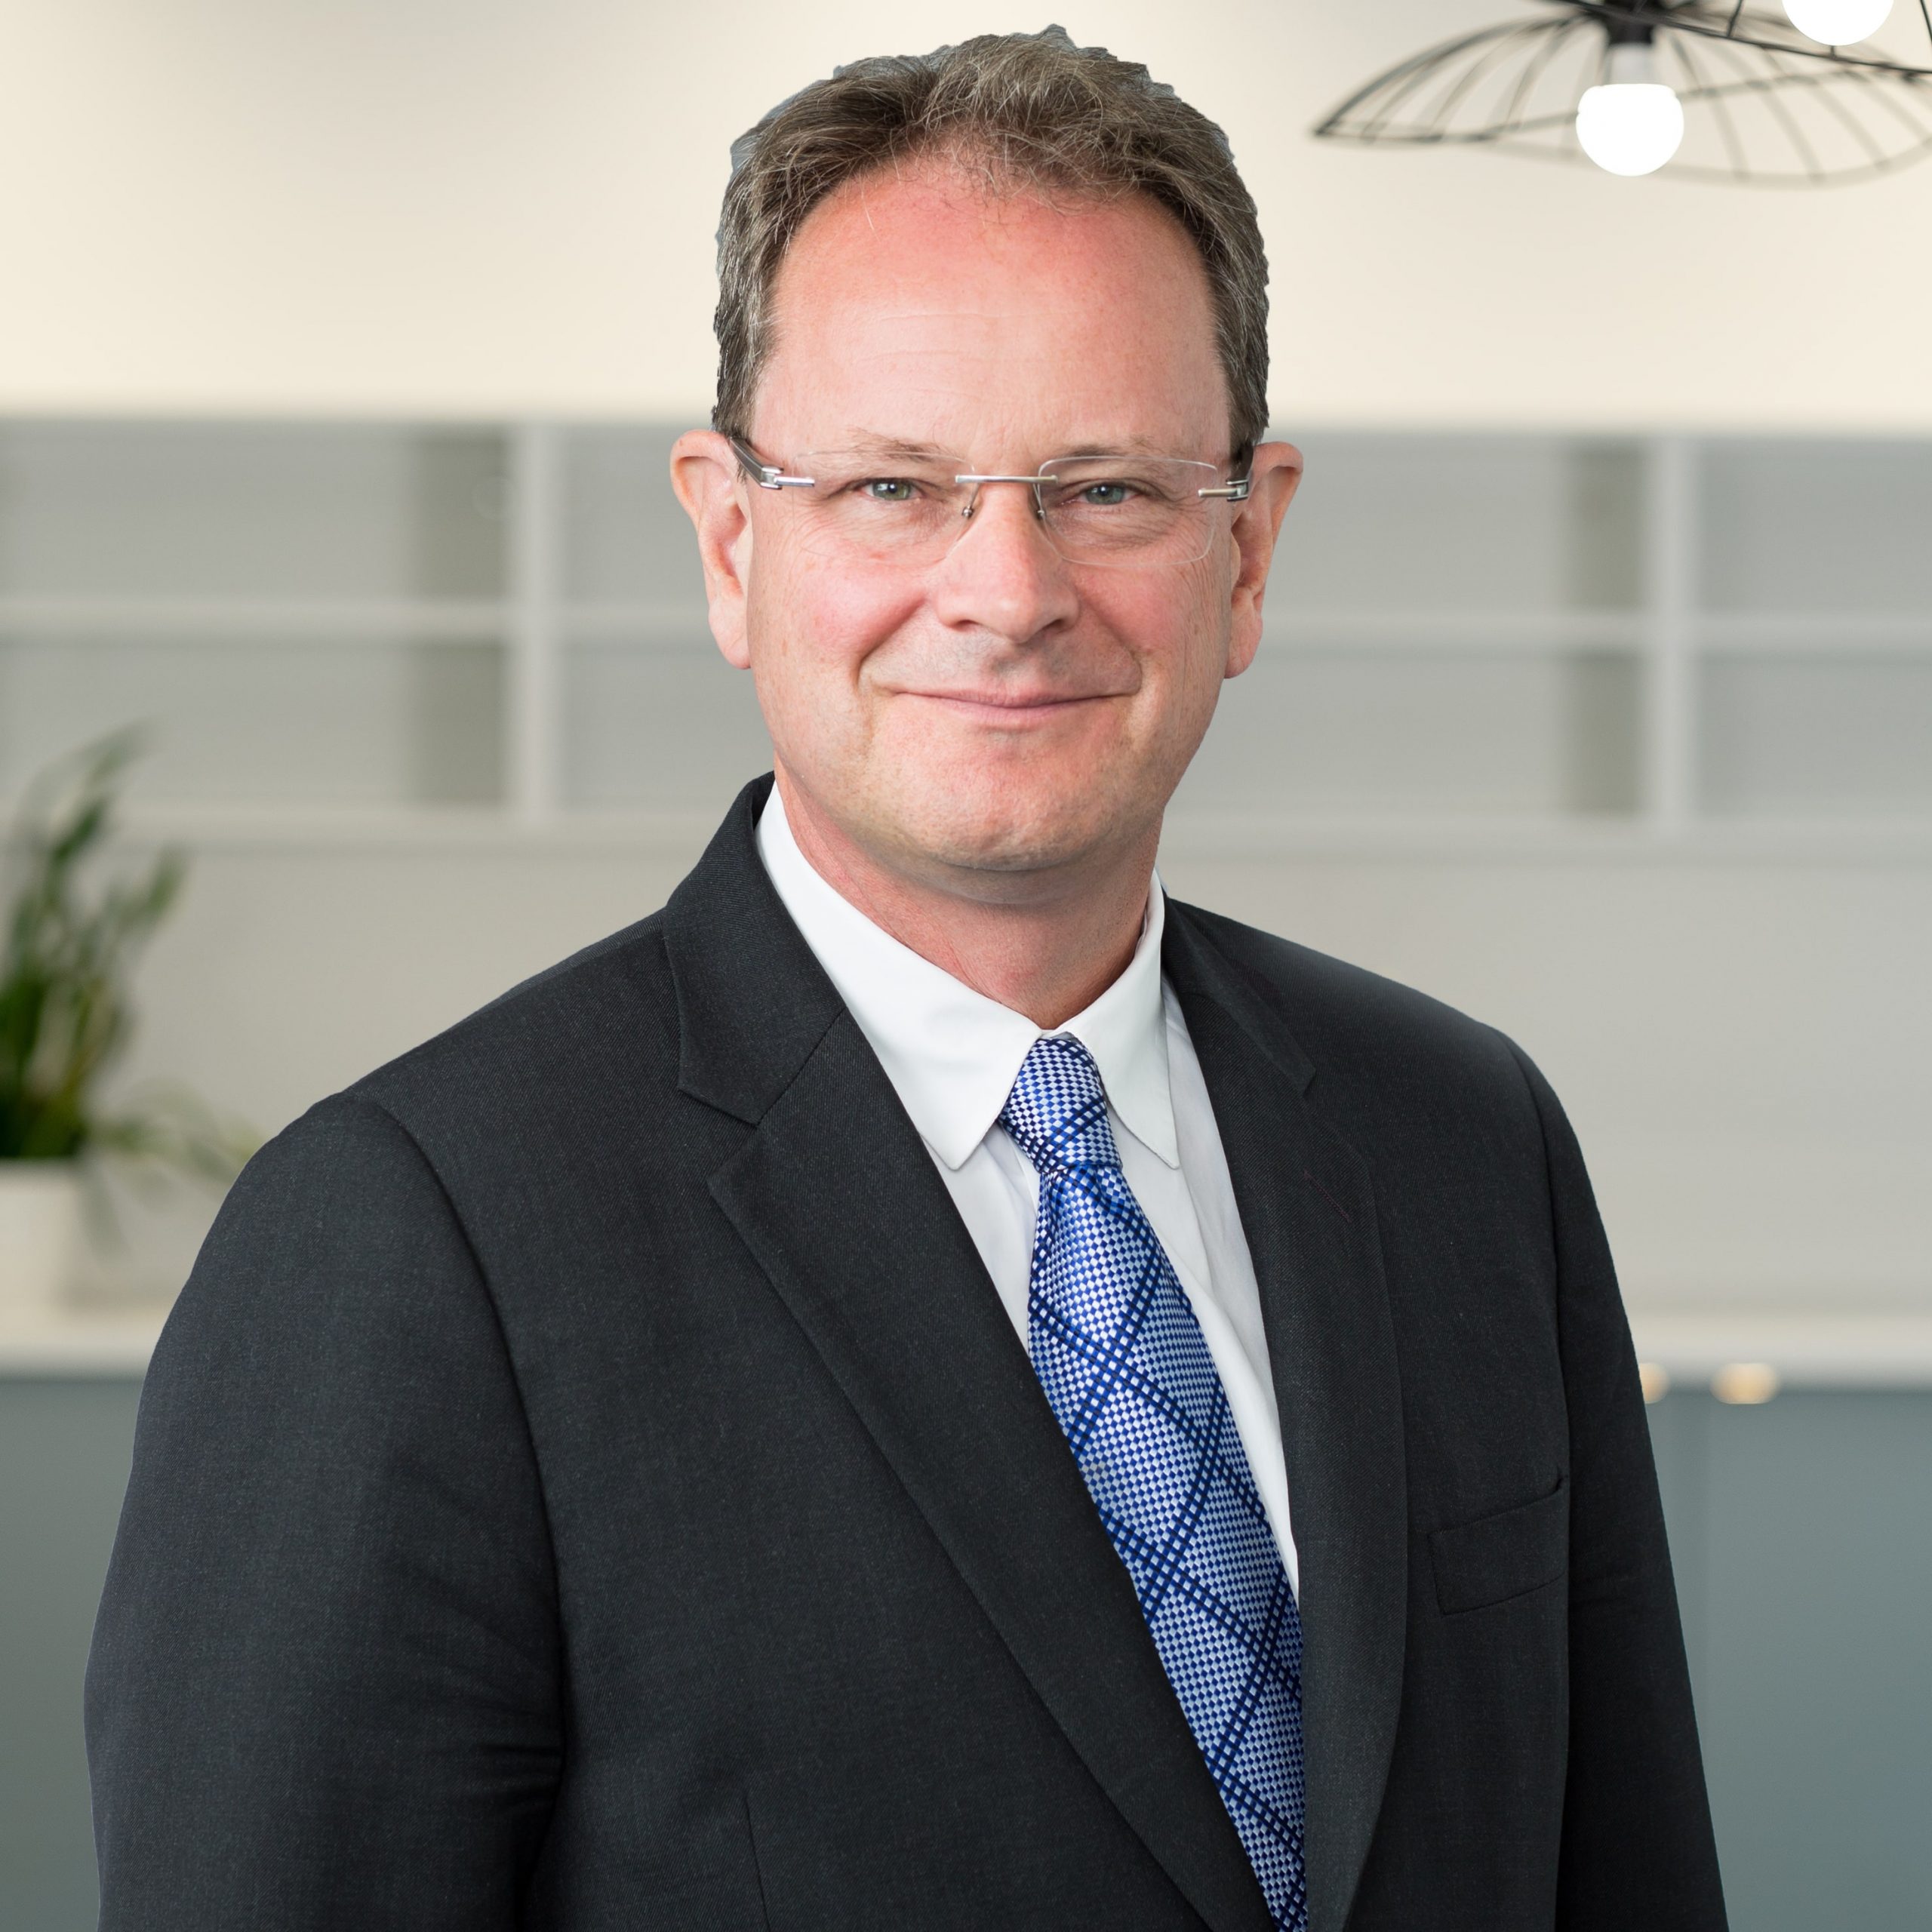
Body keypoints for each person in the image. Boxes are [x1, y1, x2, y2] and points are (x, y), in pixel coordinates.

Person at [87, 29, 1727, 1932]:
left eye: (1104, 486)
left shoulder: (1460, 1139)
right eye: (889, 485)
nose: (1006, 590)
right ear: (730, 539)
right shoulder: (411, 1236)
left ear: (1247, 545)